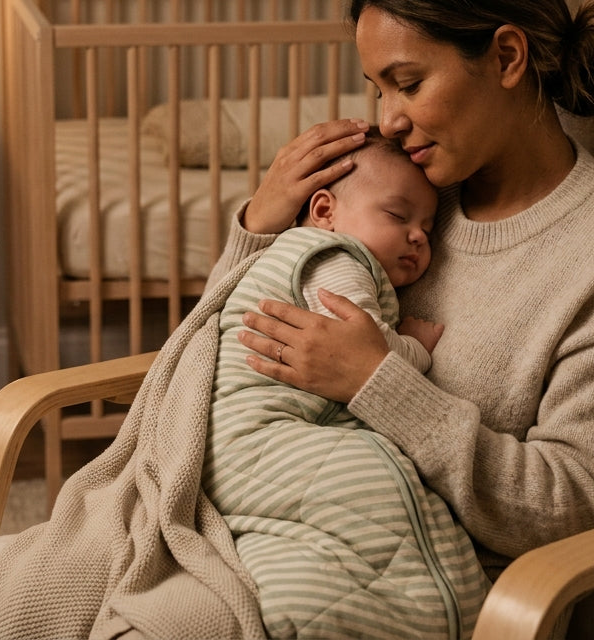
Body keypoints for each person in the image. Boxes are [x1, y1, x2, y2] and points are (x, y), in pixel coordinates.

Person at [216, 0, 594, 586]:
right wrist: (258, 232)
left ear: (506, 57)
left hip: (410, 593)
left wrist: (381, 385)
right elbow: (214, 368)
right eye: (378, 89)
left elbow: (579, 506)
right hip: (259, 532)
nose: (387, 120)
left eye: (408, 83)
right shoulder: (401, 203)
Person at [202, 128, 489, 638]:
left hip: (238, 443)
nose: (420, 236)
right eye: (399, 217)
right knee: (377, 491)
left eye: (427, 226)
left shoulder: (300, 252)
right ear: (325, 211)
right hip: (270, 431)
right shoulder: (334, 259)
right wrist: (414, 346)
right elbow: (363, 349)